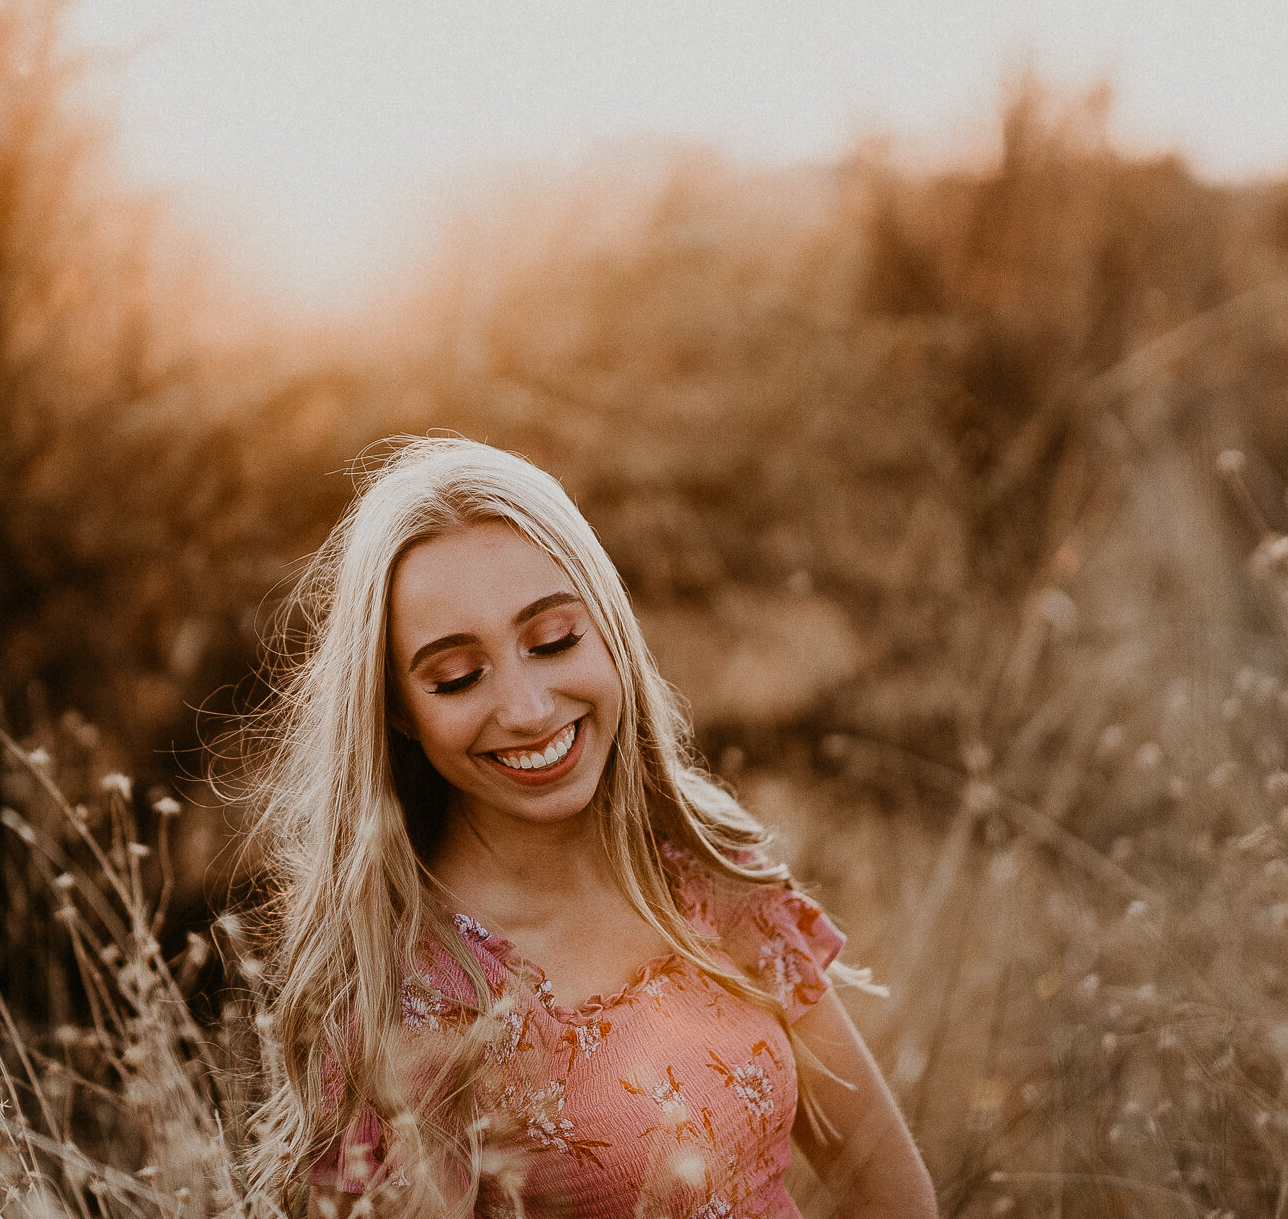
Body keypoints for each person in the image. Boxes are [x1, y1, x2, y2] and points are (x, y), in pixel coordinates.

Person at [244, 437, 936, 1218]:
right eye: (457, 676)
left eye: (554, 640)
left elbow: (883, 1173)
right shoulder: (404, 1004)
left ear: (608, 626)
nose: (529, 708)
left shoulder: (704, 863)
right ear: (399, 709)